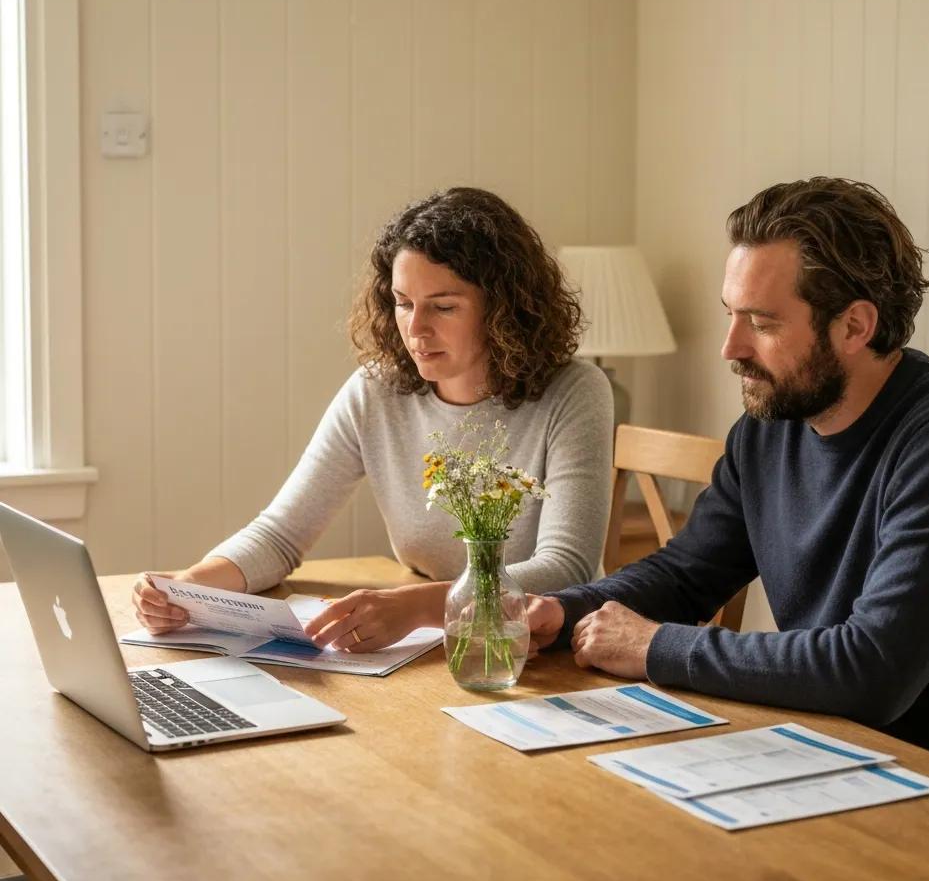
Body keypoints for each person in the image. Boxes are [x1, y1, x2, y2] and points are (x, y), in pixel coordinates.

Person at [528, 177, 929, 784]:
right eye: (731, 315)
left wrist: (653, 647)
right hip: (828, 754)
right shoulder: (770, 425)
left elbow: (871, 671)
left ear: (854, 326)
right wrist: (559, 609)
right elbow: (686, 575)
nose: (730, 348)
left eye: (762, 323)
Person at [133, 187, 613, 651]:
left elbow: (565, 567)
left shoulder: (575, 391)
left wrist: (417, 608)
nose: (416, 329)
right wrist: (192, 587)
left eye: (443, 307)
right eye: (403, 303)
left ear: (504, 309)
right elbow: (281, 535)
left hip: (538, 646)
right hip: (435, 643)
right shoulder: (376, 390)